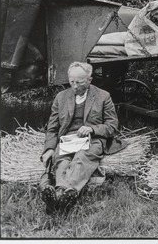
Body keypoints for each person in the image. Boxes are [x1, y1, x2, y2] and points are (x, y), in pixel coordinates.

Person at [39, 62, 123, 213]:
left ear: (89, 80)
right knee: (62, 160)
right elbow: (52, 128)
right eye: (72, 82)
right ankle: (65, 196)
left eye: (80, 82)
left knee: (81, 158)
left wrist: (92, 129)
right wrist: (50, 148)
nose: (75, 86)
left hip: (93, 139)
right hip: (68, 140)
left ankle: (59, 194)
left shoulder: (103, 96)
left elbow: (112, 126)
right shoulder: (61, 97)